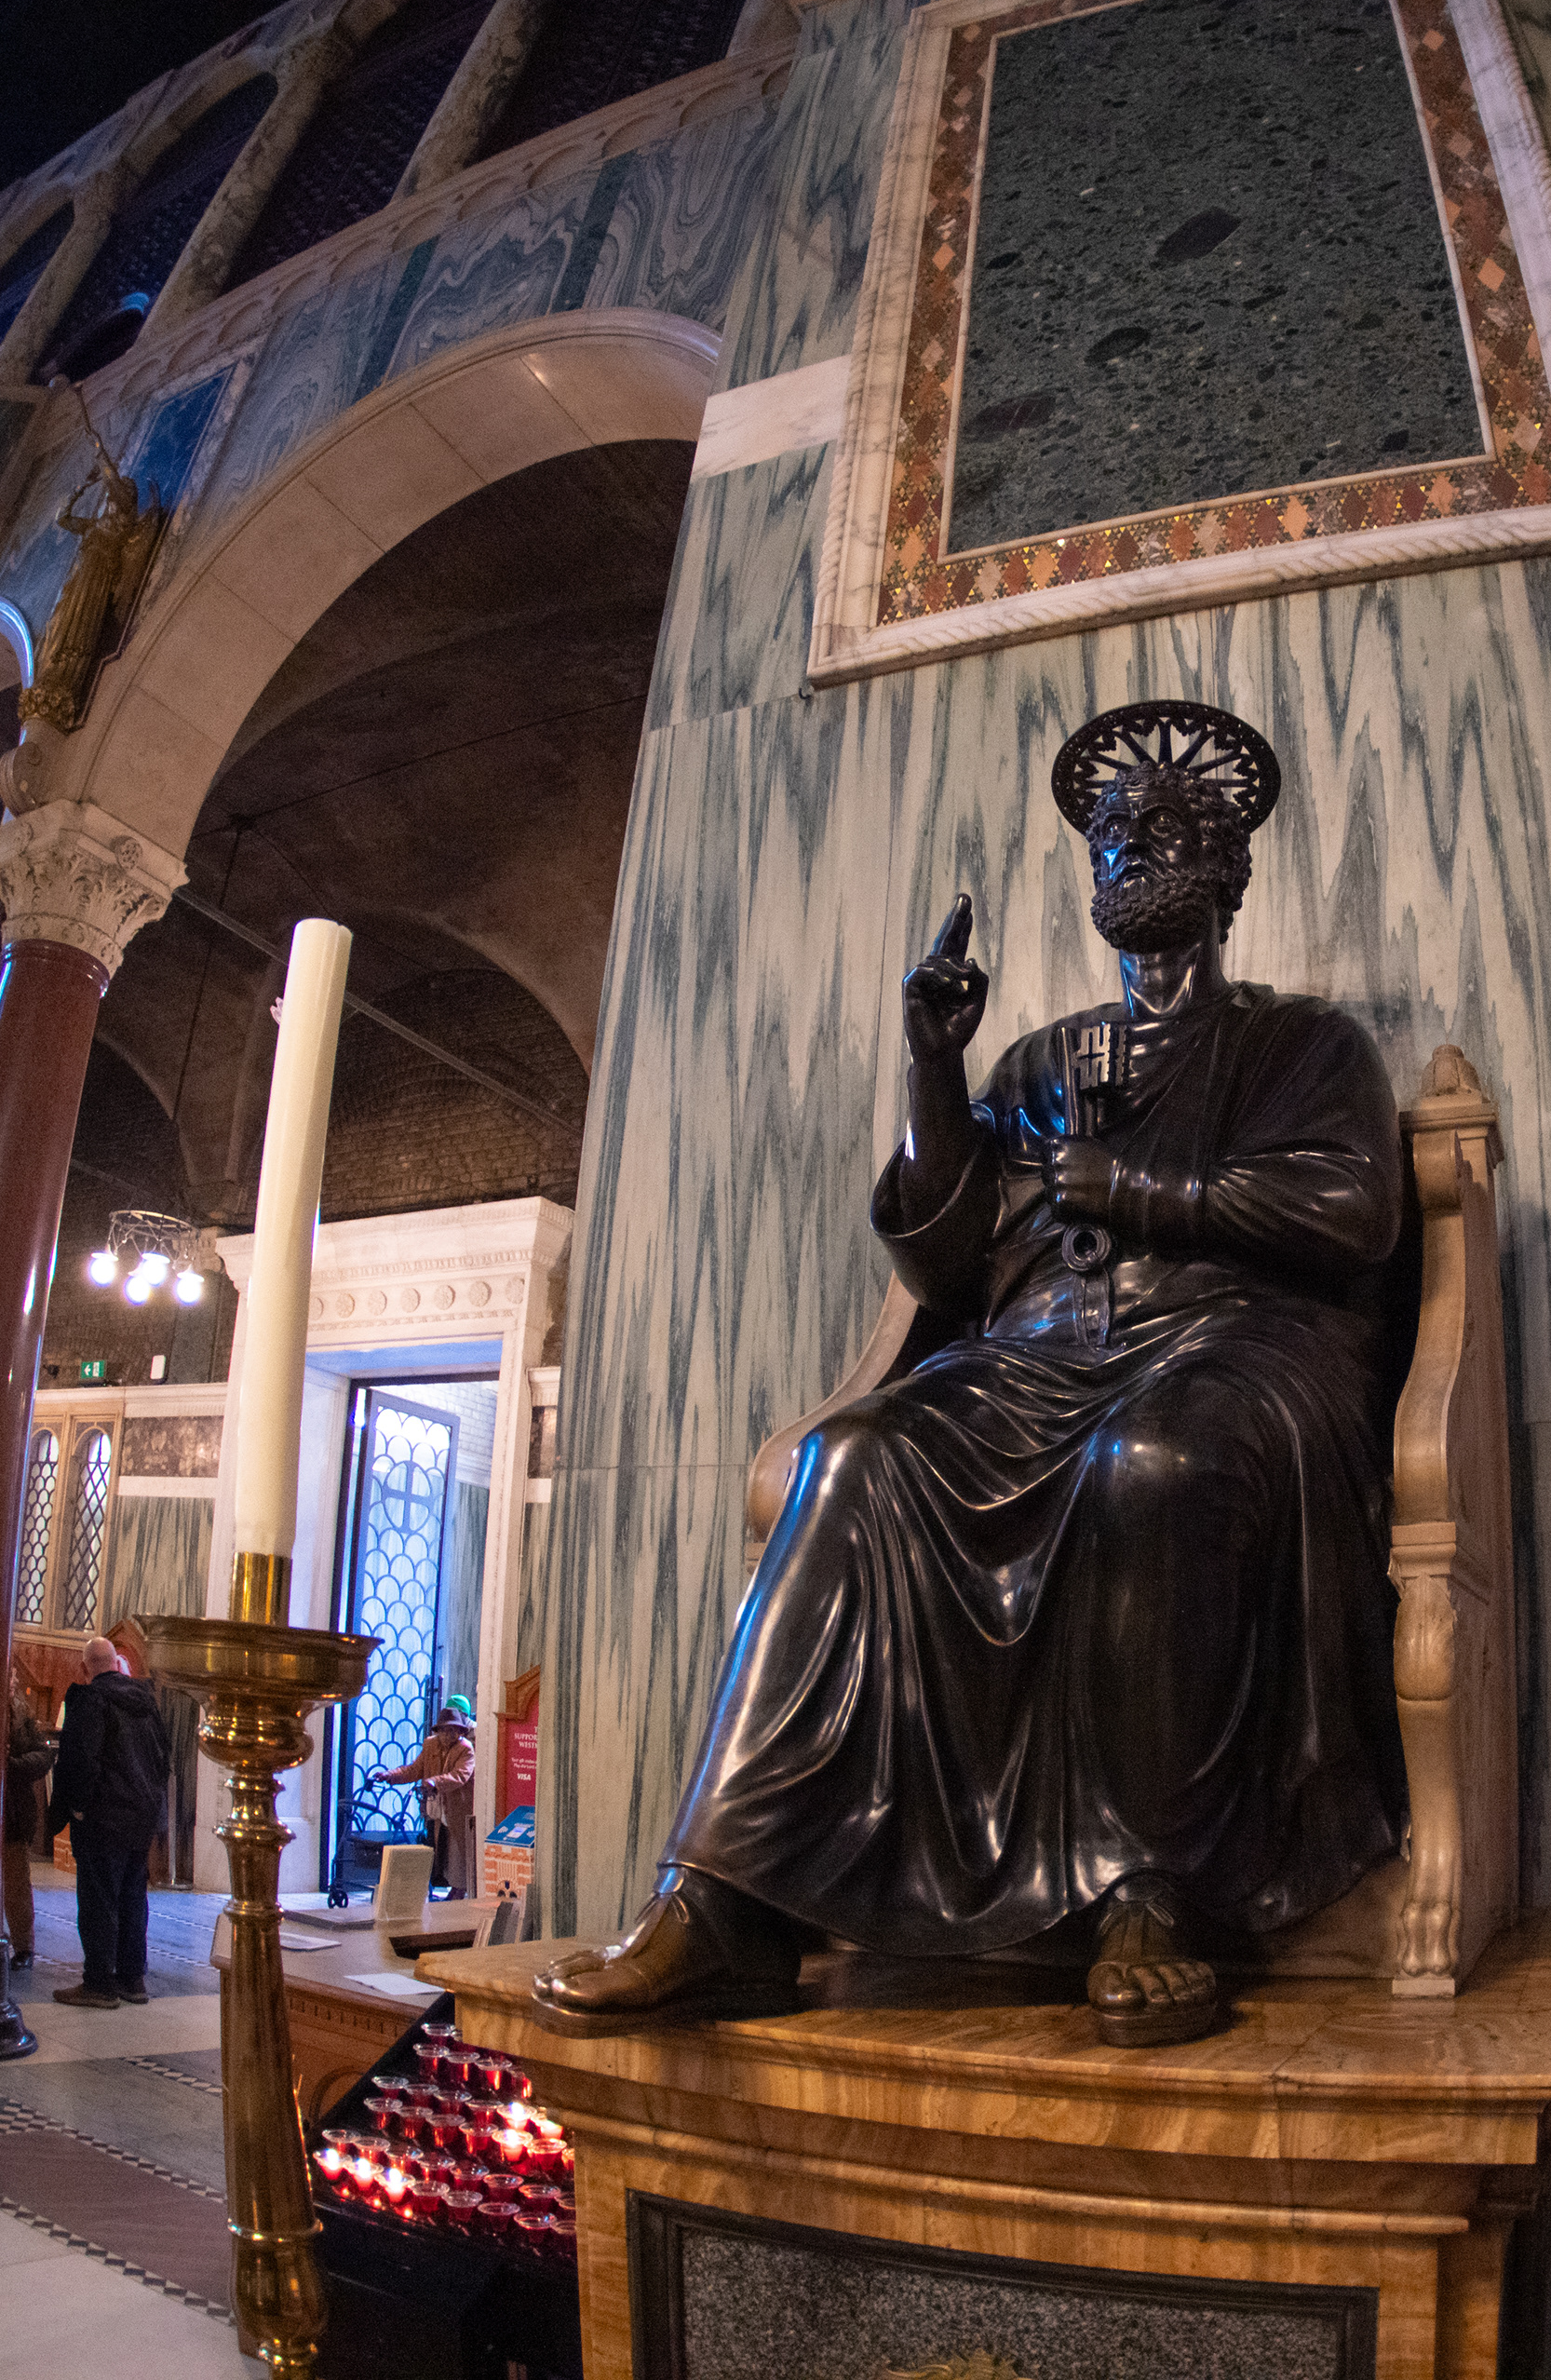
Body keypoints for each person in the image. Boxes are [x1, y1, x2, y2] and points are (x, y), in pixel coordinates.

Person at [533, 702, 1407, 2049]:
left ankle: (1148, 1892)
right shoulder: (1041, 1062)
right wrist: (934, 1072)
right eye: (1112, 837)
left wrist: (1145, 1190)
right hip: (1035, 1359)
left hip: (1230, 1345)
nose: (1132, 850)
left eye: (1165, 829)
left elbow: (1354, 1211)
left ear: (1229, 868)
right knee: (850, 1459)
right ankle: (726, 1900)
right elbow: (946, 1261)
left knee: (1153, 1463)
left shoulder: (1308, 1045)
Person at [47, 1634, 165, 2009]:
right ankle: (132, 1979)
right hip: (140, 1818)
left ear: (84, 1668)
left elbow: (80, 1760)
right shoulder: (145, 1702)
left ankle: (99, 1983)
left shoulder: (90, 1700)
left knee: (99, 1900)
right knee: (133, 1898)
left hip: (102, 1818)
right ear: (116, 1664)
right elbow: (162, 1760)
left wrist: (75, 1808)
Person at [375, 1699, 478, 1900]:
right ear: (438, 1731)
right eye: (445, 1730)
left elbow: (460, 1775)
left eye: (453, 1731)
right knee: (441, 1849)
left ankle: (459, 1889)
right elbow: (415, 1769)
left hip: (457, 1808)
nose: (449, 1735)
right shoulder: (431, 1745)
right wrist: (390, 1775)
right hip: (437, 1808)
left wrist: (434, 1782)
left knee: (458, 1851)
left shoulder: (466, 1749)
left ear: (460, 1732)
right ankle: (447, 1886)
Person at [3, 1695, 55, 1970]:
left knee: (16, 1886)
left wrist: (11, 1765)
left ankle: (23, 1947)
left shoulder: (22, 1717)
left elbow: (42, 1756)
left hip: (12, 1814)